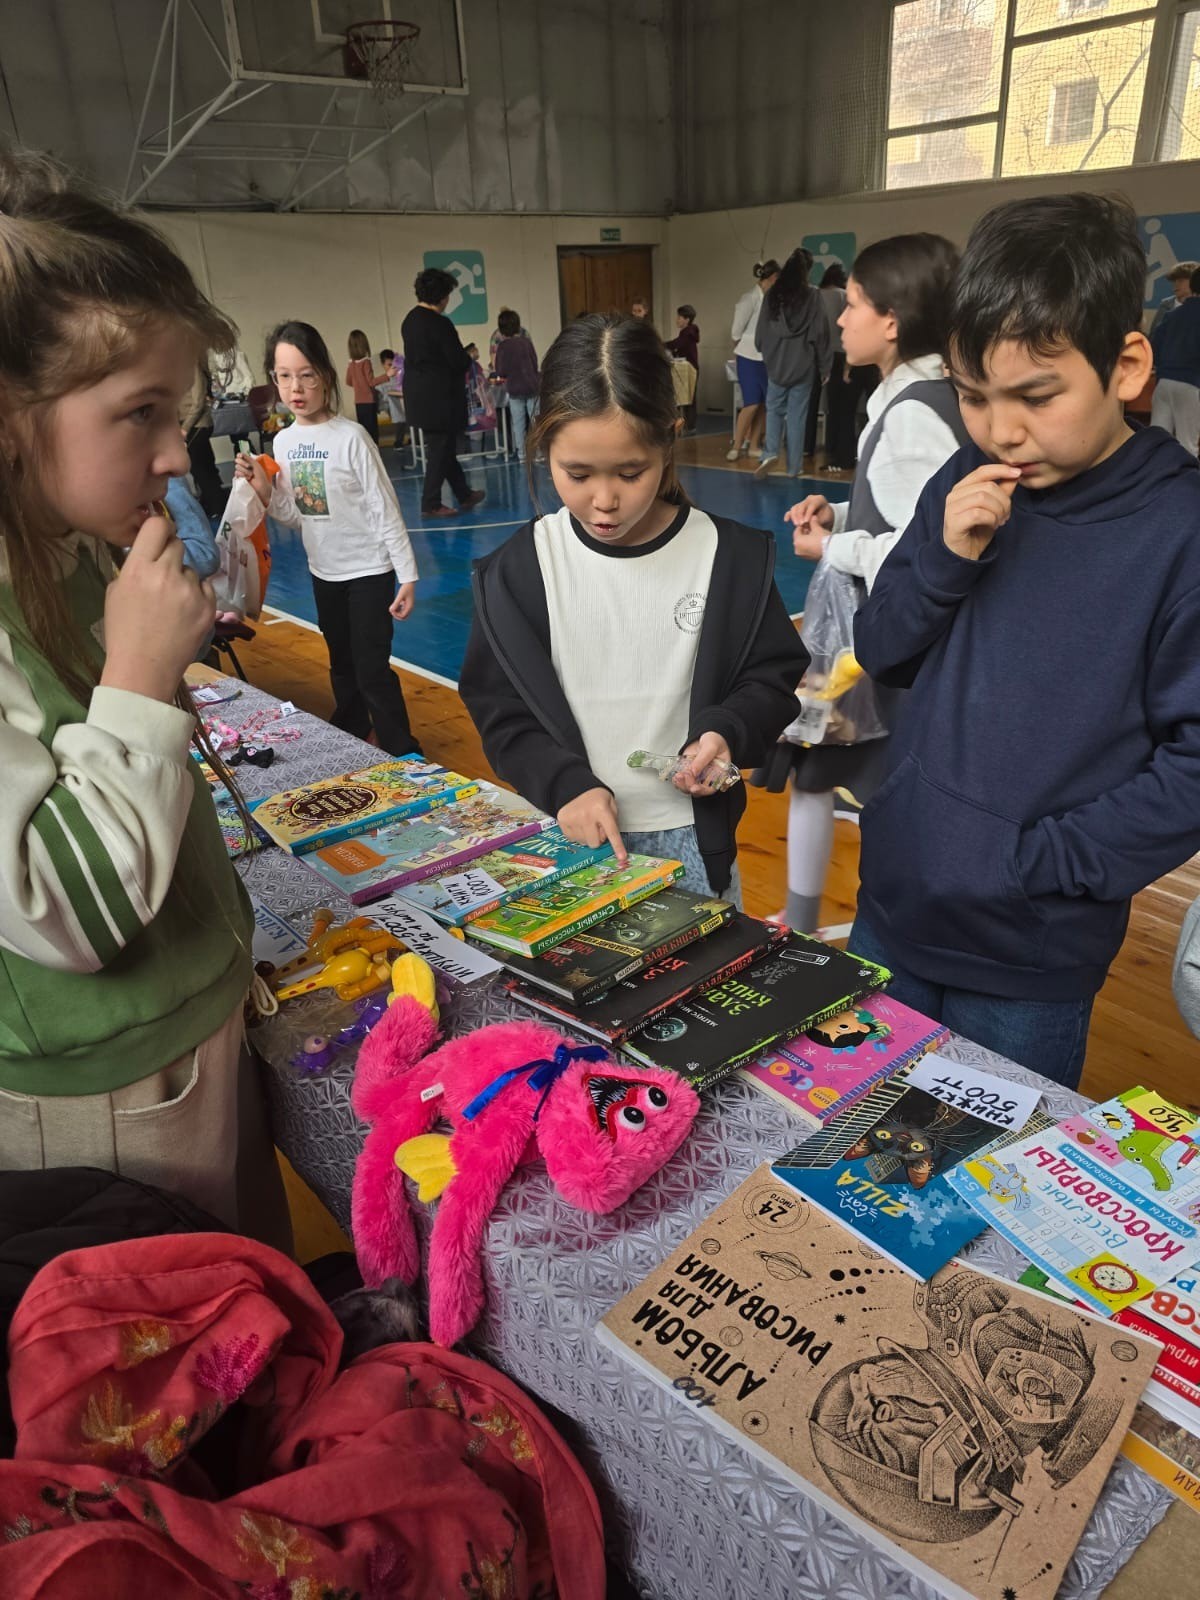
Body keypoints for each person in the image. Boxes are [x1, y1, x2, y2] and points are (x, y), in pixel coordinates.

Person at [0, 146, 289, 1247]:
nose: (177, 454)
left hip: (191, 1030)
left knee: (258, 1305)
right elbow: (69, 912)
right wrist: (138, 674)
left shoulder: (67, 542)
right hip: (107, 1100)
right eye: (140, 413)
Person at [846, 193, 1200, 1089]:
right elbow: (881, 650)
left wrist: (1036, 866)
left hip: (1028, 950)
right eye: (973, 396)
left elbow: (1194, 765)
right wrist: (944, 561)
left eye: (1037, 396)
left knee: (980, 1166)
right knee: (847, 1133)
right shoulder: (968, 477)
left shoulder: (1180, 532)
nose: (1001, 429)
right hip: (894, 902)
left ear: (1126, 367)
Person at [459, 314, 807, 900]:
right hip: (568, 833)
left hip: (692, 840)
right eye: (577, 473)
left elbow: (770, 678)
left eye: (630, 472)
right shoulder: (518, 572)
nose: (604, 501)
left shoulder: (730, 558)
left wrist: (726, 731)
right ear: (544, 446)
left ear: (669, 441)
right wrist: (564, 784)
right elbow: (502, 712)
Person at [760, 233, 969, 936]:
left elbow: (930, 549)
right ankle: (825, 917)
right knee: (835, 775)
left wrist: (831, 545)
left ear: (893, 320)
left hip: (891, 641)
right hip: (894, 641)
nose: (841, 319)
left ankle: (839, 923)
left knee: (829, 772)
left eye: (852, 305)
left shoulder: (913, 414)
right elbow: (914, 508)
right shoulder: (923, 396)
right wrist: (843, 512)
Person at [238, 320, 421, 756]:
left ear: (324, 375)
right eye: (284, 376)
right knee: (342, 664)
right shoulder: (284, 442)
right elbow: (297, 516)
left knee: (372, 668)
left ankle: (404, 751)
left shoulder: (352, 438)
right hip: (325, 573)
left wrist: (407, 575)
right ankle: (355, 735)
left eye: (306, 375)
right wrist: (263, 490)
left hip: (369, 571)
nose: (295, 387)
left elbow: (384, 508)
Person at [401, 268, 486, 519]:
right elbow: (456, 361)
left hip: (418, 396)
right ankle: (430, 503)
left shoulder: (410, 320)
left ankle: (463, 494)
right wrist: (470, 355)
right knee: (440, 451)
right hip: (440, 398)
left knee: (444, 449)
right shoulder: (440, 323)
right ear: (441, 296)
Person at [755, 249, 832, 476]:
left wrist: (764, 350)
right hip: (803, 364)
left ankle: (770, 453)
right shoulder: (813, 295)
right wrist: (825, 366)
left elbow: (761, 331)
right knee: (797, 416)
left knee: (774, 410)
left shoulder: (772, 295)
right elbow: (820, 332)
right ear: (807, 270)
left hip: (776, 363)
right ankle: (794, 467)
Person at [728, 260, 779, 462]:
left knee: (763, 404)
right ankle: (737, 444)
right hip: (748, 357)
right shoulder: (749, 298)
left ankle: (754, 445)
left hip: (766, 357)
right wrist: (741, 348)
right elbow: (736, 331)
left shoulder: (770, 299)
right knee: (751, 403)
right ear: (772, 278)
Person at [1150, 264, 1200, 456]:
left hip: (1163, 383)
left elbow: (1155, 348)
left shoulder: (1171, 315)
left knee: (1157, 442)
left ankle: (1153, 475)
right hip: (1191, 384)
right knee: (1187, 446)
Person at [803, 263, 849, 469]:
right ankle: (831, 445)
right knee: (835, 404)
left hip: (814, 352)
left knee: (810, 401)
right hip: (838, 353)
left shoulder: (815, 294)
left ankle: (807, 446)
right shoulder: (842, 295)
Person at [493, 308, 540, 460]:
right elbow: (534, 363)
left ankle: (522, 454)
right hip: (532, 387)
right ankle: (539, 452)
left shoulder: (502, 347)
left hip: (514, 389)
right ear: (518, 326)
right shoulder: (526, 342)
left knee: (518, 424)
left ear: (501, 329)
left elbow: (500, 370)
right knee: (536, 420)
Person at [346, 329, 382, 444]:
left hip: (358, 402)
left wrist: (359, 385)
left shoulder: (351, 363)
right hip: (369, 402)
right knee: (373, 432)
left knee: (364, 431)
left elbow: (348, 381)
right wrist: (387, 376)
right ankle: (375, 453)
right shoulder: (366, 362)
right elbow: (371, 382)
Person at [1149, 261, 1197, 335]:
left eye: (1180, 280)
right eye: (1174, 281)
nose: (1175, 284)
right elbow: (1154, 335)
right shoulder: (1166, 304)